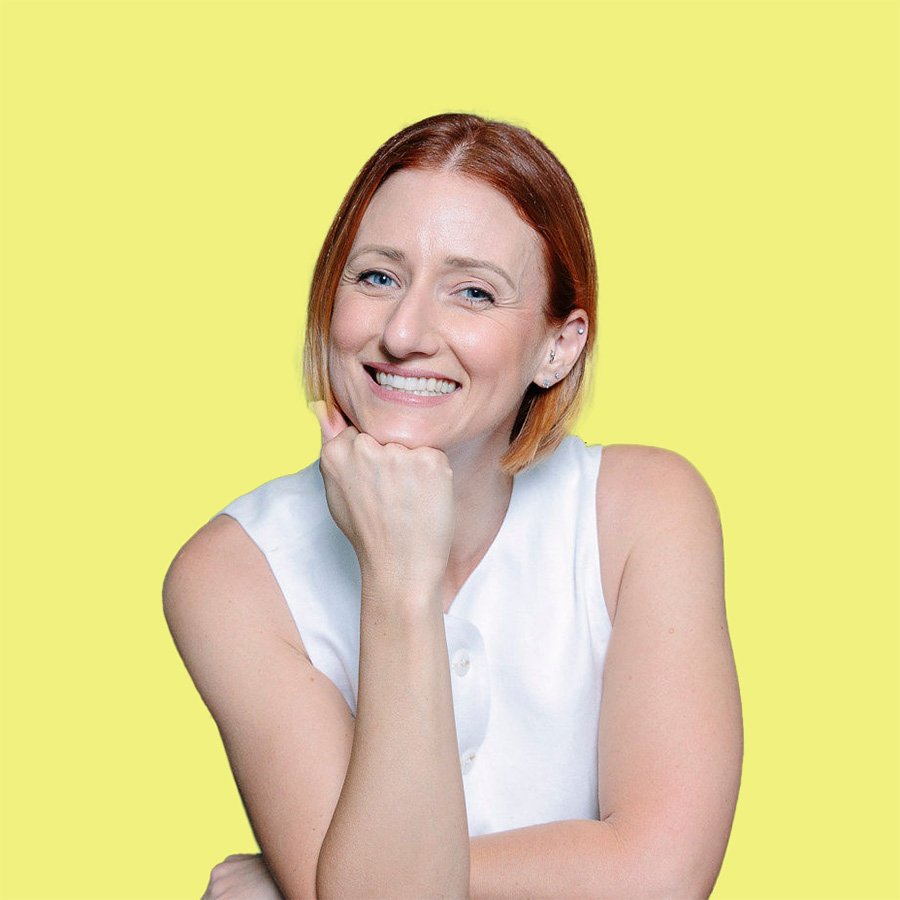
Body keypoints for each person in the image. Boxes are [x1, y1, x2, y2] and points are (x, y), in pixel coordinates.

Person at [164, 112, 743, 899]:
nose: (404, 331)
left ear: (558, 346)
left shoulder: (645, 512)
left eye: (473, 292)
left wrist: (317, 879)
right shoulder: (229, 573)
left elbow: (661, 881)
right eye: (377, 277)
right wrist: (400, 578)